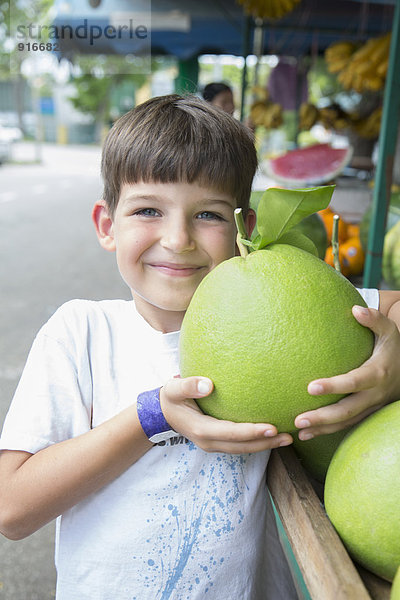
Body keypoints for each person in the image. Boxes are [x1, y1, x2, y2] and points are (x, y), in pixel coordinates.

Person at [0, 95, 399, 600]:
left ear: (244, 230)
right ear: (107, 225)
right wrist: (151, 416)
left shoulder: (280, 302)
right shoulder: (81, 332)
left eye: (208, 215)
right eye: (148, 210)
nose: (178, 239)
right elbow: (12, 509)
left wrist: (393, 359)